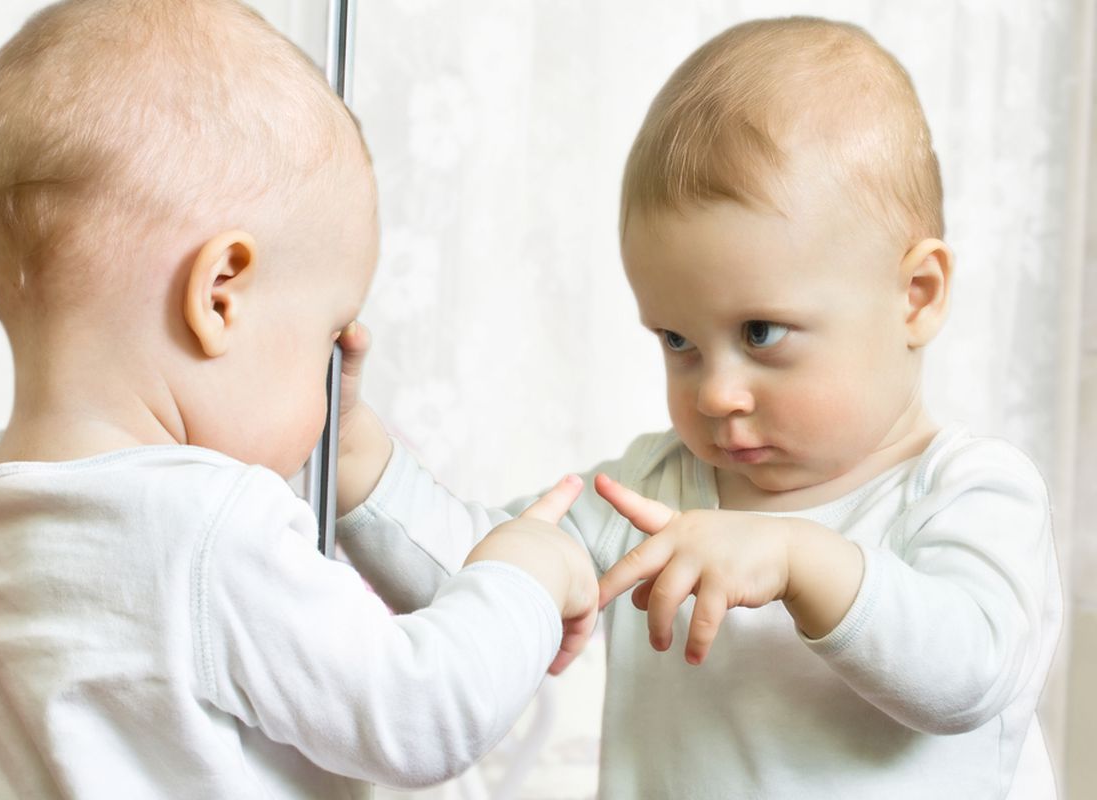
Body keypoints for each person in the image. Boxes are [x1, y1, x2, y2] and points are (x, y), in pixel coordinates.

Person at [334, 16, 1063, 799]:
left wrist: (794, 557)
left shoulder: (969, 493)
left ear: (915, 297)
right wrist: (353, 459)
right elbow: (487, 581)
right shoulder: (652, 492)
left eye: (761, 333)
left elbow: (973, 673)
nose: (714, 392)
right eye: (677, 341)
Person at [0, 1, 600, 797]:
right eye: (325, 335)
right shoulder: (207, 528)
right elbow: (422, 715)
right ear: (219, 297)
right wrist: (521, 571)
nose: (331, 377)